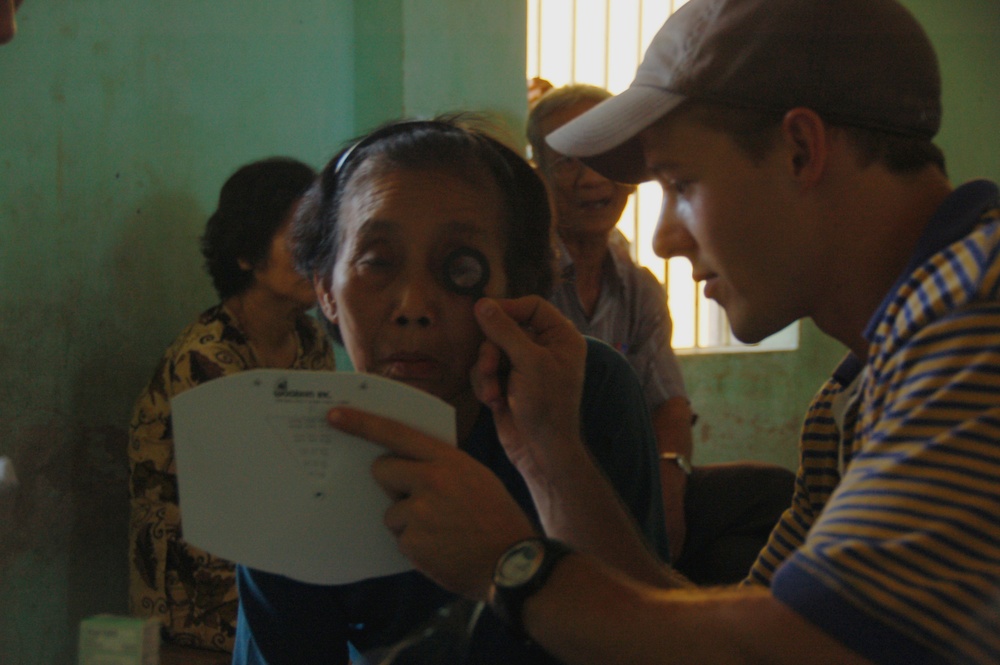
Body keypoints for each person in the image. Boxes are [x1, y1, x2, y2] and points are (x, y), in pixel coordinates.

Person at [319, 0, 1000, 663]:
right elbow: (698, 637)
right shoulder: (858, 390)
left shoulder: (978, 318)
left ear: (799, 149)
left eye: (679, 182)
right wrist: (551, 449)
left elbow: (794, 652)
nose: (665, 238)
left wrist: (511, 564)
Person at [231, 117, 669, 665]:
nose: (413, 305)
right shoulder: (300, 448)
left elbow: (649, 634)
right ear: (325, 290)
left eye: (459, 266)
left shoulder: (584, 392)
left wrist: (558, 458)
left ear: (519, 283)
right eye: (376, 263)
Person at [529, 83, 795, 583]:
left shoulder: (637, 285)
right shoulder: (524, 278)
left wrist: (669, 487)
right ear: (537, 171)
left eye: (608, 159)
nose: (594, 179)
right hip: (545, 478)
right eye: (569, 161)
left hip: (633, 478)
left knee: (772, 495)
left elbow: (669, 404)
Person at [128, 157, 337, 652]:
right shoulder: (207, 357)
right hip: (196, 605)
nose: (319, 256)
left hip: (269, 574)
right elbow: (252, 496)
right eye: (300, 238)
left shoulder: (309, 340)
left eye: (323, 238)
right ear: (246, 253)